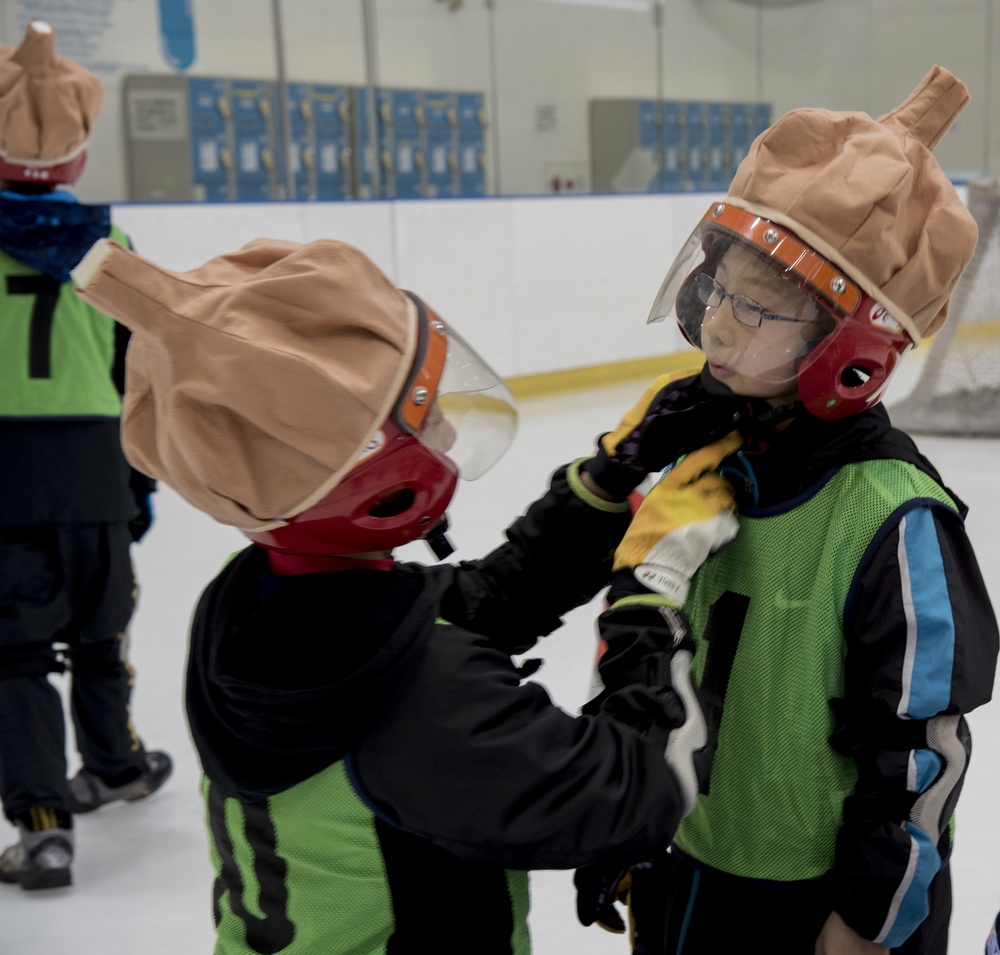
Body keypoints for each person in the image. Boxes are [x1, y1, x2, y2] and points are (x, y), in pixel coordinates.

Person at [68, 230, 748, 954]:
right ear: (373, 483)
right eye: (423, 418)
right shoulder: (422, 699)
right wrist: (651, 593)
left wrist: (608, 482)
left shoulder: (250, 603)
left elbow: (472, 608)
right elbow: (634, 794)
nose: (449, 428)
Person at [575, 66, 1000, 954]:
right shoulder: (699, 455)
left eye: (759, 309)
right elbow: (647, 640)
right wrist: (622, 817)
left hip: (810, 905)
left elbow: (921, 753)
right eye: (717, 289)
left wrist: (867, 917)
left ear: (854, 354)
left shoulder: (895, 516)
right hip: (689, 868)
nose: (721, 327)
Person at [0, 21, 171, 892]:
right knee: (102, 632)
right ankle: (116, 762)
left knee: (19, 656)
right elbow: (140, 371)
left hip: (5, 476)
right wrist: (138, 480)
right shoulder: (112, 251)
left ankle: (41, 827)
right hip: (96, 469)